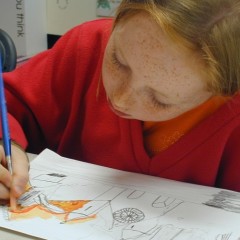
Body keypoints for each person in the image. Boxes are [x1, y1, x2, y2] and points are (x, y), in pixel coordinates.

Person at [1, 0, 240, 204]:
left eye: (160, 99)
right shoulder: (87, 46)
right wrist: (6, 144)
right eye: (118, 61)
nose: (119, 99)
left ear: (223, 91)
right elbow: (8, 101)